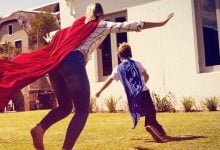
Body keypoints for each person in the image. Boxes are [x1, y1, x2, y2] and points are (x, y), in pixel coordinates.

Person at [0, 2, 174, 150]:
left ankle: (40, 129)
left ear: (87, 15)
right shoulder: (101, 25)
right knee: (82, 110)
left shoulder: (72, 28)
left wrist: (49, 38)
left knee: (66, 107)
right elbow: (132, 25)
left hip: (55, 66)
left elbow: (53, 36)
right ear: (101, 15)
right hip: (73, 63)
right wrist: (161, 22)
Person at [96, 42, 168, 142]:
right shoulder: (137, 63)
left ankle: (160, 131)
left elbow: (109, 80)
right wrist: (142, 85)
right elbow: (146, 76)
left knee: (148, 113)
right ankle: (150, 126)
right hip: (144, 92)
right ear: (130, 53)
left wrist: (99, 91)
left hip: (133, 97)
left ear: (119, 55)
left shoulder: (118, 69)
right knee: (151, 112)